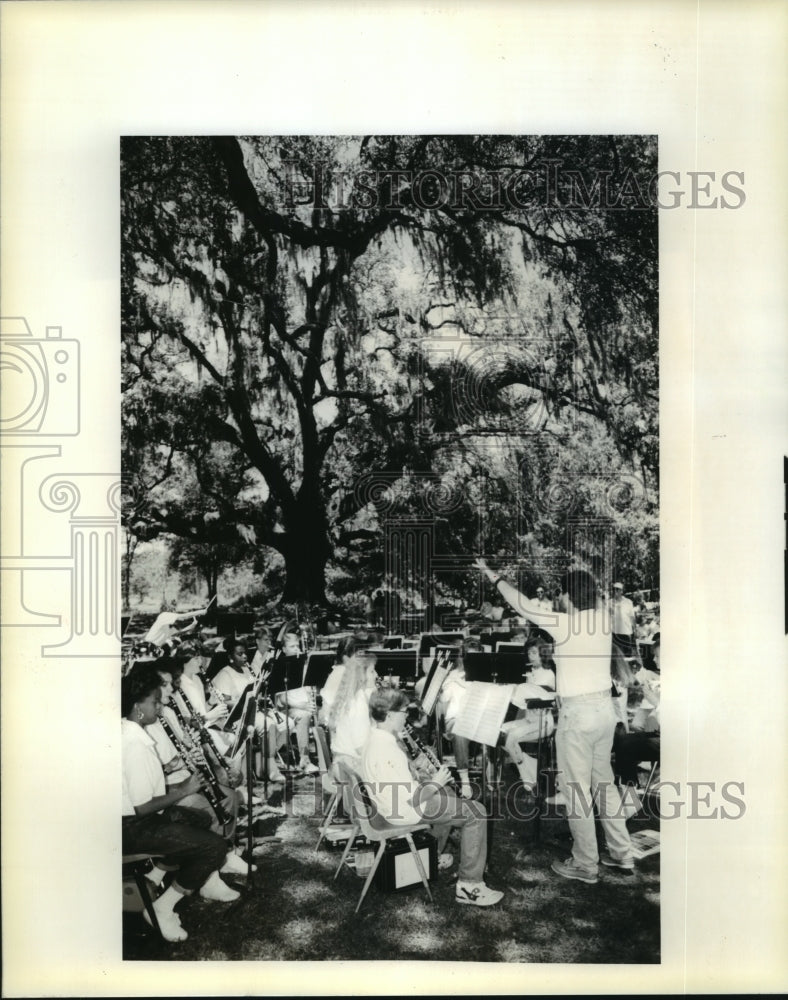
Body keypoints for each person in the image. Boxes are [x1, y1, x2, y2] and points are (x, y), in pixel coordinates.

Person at [474, 557, 634, 884]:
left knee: (576, 790)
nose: (560, 599)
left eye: (562, 595)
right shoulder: (602, 619)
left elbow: (521, 603)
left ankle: (586, 864)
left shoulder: (566, 624)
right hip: (605, 712)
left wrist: (492, 576)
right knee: (604, 785)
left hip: (577, 715)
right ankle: (621, 853)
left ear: (570, 597)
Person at [122, 664, 240, 943]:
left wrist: (184, 787)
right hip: (131, 827)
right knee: (214, 846)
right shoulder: (136, 745)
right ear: (138, 707)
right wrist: (185, 789)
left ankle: (156, 877)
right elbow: (141, 807)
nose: (160, 706)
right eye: (154, 702)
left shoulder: (131, 733)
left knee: (198, 820)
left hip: (134, 820)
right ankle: (162, 908)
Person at [360, 687, 504, 907]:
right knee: (476, 812)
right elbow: (411, 800)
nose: (407, 716)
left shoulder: (376, 739)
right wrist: (435, 781)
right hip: (405, 812)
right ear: (389, 715)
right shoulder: (387, 749)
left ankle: (431, 856)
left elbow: (396, 782)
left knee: (447, 794)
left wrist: (418, 771)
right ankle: (469, 885)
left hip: (391, 805)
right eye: (403, 712)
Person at [500, 637, 556, 789]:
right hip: (528, 720)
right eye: (528, 653)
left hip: (543, 722)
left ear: (543, 654)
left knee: (511, 737)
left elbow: (548, 700)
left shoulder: (549, 674)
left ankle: (527, 776)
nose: (530, 656)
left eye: (534, 653)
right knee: (499, 732)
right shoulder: (529, 672)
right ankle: (529, 763)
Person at [326, 651, 379, 772]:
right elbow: (361, 748)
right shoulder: (358, 703)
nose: (376, 674)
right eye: (372, 671)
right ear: (361, 675)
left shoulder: (351, 696)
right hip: (353, 766)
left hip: (342, 762)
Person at [609, 582, 638, 659]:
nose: (615, 591)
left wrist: (635, 630)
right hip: (615, 633)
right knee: (616, 657)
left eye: (617, 589)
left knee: (627, 656)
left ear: (622, 591)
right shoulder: (609, 602)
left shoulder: (628, 602)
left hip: (626, 633)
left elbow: (632, 617)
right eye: (613, 589)